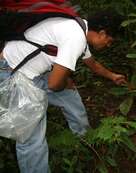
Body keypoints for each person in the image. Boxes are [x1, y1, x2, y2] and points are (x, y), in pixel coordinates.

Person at [0, 10, 126, 173]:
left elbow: (92, 64)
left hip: (32, 72)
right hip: (13, 73)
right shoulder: (76, 37)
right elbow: (53, 84)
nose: (108, 45)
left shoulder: (79, 27)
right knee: (31, 138)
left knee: (69, 94)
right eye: (109, 41)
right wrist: (63, 81)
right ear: (102, 33)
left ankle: (85, 140)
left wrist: (112, 76)